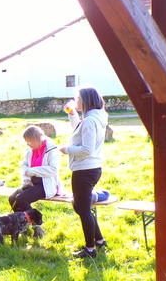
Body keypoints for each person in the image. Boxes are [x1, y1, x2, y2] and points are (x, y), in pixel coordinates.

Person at [60, 86, 109, 259]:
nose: (76, 101)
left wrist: (67, 149)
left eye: (78, 98)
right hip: (91, 168)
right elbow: (79, 132)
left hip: (85, 170)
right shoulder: (93, 118)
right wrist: (73, 114)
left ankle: (90, 249)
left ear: (86, 100)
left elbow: (87, 149)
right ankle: (100, 241)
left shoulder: (90, 120)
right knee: (80, 206)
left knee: (83, 209)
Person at [8, 125, 62, 222]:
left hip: (46, 184)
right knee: (12, 198)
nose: (28, 144)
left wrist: (31, 171)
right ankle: (21, 224)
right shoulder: (30, 149)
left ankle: (36, 225)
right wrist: (26, 171)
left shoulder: (51, 149)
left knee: (21, 199)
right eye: (26, 142)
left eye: (29, 141)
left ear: (37, 139)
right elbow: (24, 164)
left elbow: (53, 169)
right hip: (31, 182)